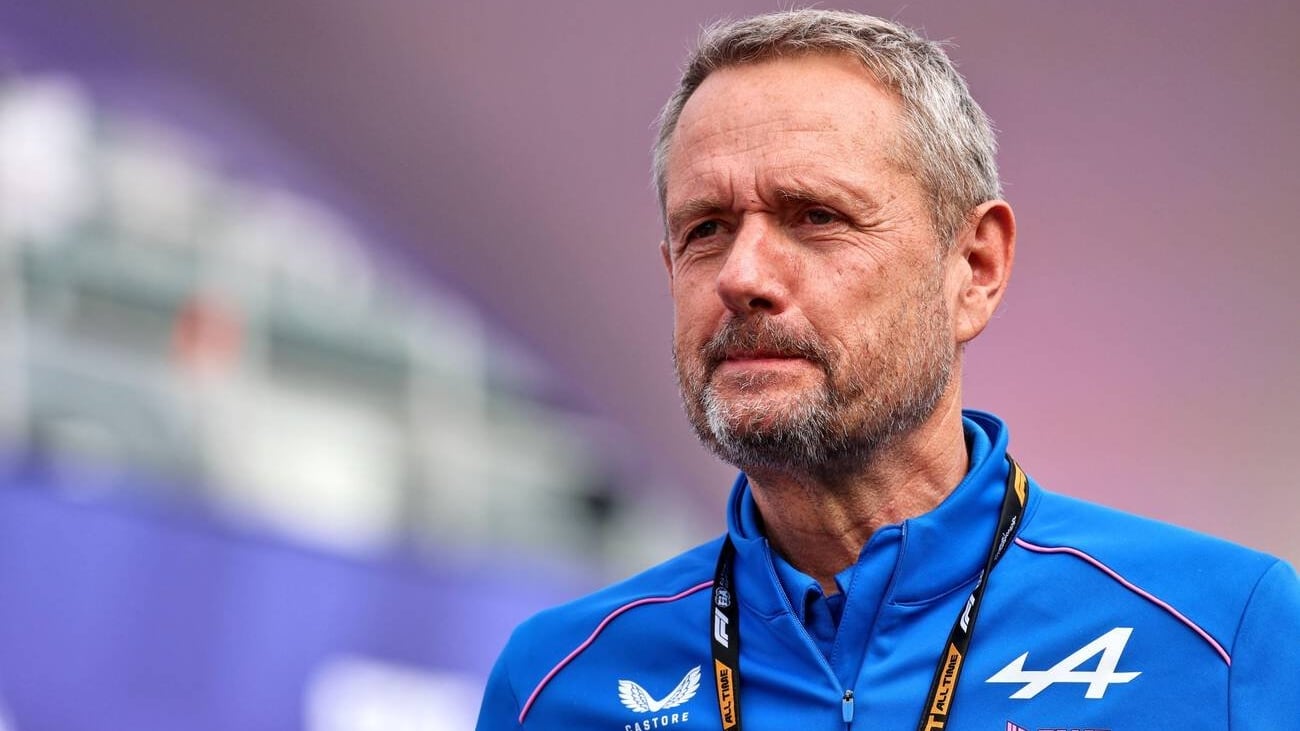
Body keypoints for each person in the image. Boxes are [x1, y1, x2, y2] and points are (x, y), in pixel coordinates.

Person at [476, 9, 1300, 730]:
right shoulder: (555, 682)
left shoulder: (1224, 633)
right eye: (706, 230)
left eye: (816, 215)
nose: (741, 275)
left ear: (974, 268)